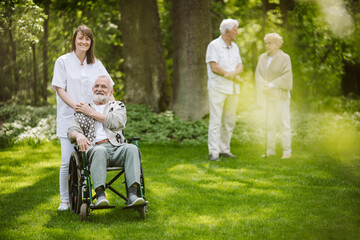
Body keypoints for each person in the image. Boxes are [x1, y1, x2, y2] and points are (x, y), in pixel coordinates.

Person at [51, 25, 114, 211]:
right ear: (74, 40)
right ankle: (64, 201)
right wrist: (75, 105)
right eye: (81, 38)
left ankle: (92, 195)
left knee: (90, 158)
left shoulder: (96, 63)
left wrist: (114, 109)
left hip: (91, 119)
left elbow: (109, 88)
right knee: (66, 160)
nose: (84, 42)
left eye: (87, 39)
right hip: (69, 117)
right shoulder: (62, 62)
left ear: (91, 42)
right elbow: (60, 88)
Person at [68, 75, 145, 207]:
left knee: (132, 148)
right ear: (92, 89)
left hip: (117, 148)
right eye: (97, 86)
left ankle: (132, 195)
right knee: (100, 151)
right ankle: (100, 196)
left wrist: (91, 113)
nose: (99, 89)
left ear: (111, 91)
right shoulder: (83, 108)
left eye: (103, 86)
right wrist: (78, 135)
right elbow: (71, 130)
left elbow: (116, 122)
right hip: (94, 149)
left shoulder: (117, 106)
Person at [205, 18, 243, 161]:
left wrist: (232, 74)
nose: (237, 32)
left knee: (229, 121)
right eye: (235, 30)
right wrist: (228, 74)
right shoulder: (214, 45)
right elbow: (214, 67)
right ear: (227, 32)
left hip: (233, 89)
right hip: (218, 89)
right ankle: (213, 153)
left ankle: (224, 150)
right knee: (216, 121)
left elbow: (240, 66)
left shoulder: (235, 47)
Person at [255, 33, 293, 159]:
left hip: (281, 96)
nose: (267, 45)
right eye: (266, 43)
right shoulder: (262, 58)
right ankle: (270, 151)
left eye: (269, 43)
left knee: (284, 123)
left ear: (277, 44)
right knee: (269, 123)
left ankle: (286, 151)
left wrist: (271, 84)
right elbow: (258, 74)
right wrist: (264, 84)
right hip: (267, 96)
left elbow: (287, 77)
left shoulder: (285, 58)